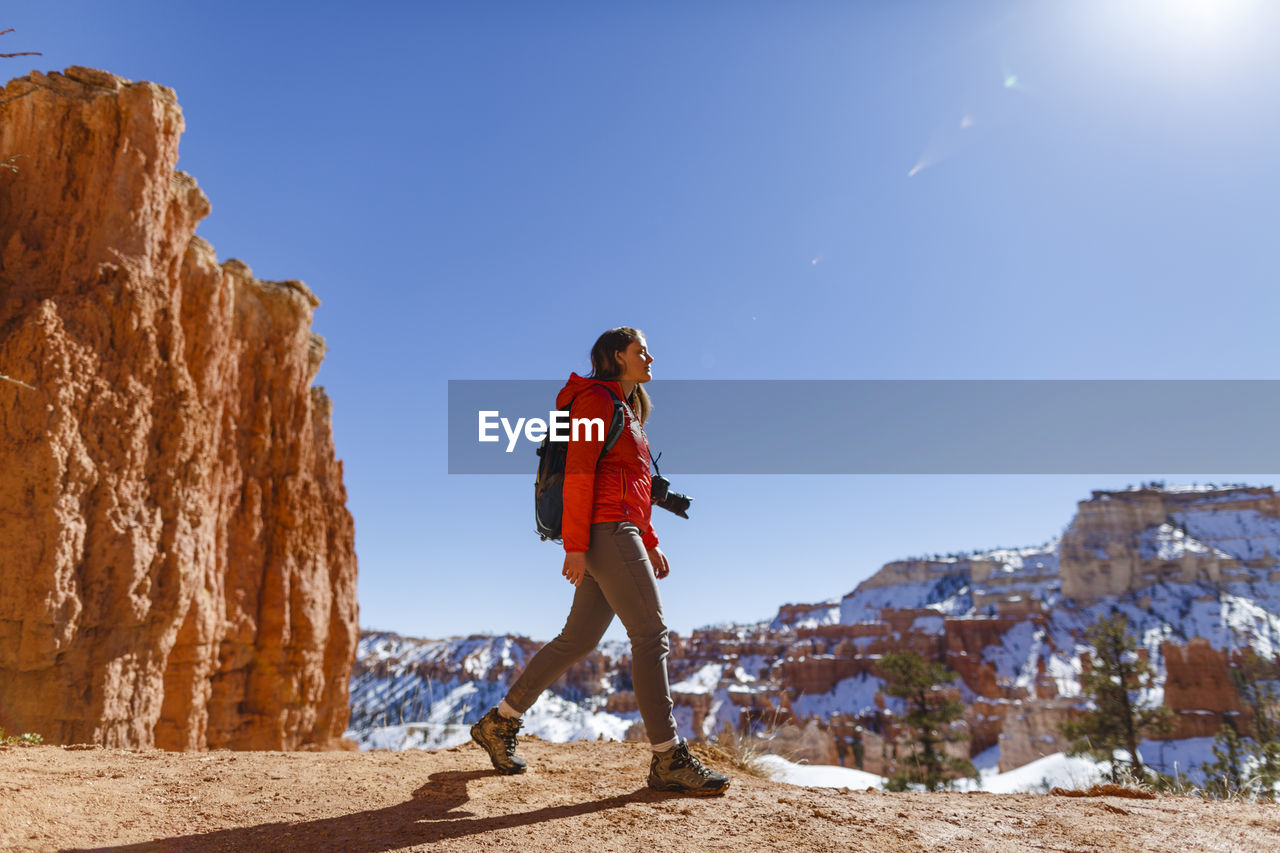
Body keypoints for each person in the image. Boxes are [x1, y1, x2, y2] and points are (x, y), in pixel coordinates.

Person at [471, 326, 730, 796]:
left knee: (577, 640)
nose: (650, 358)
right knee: (651, 635)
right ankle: (668, 757)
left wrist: (649, 539)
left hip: (619, 529)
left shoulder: (628, 412)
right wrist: (575, 544)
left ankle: (499, 721)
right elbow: (579, 474)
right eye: (641, 351)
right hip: (605, 531)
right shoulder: (594, 402)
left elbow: (638, 488)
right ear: (616, 356)